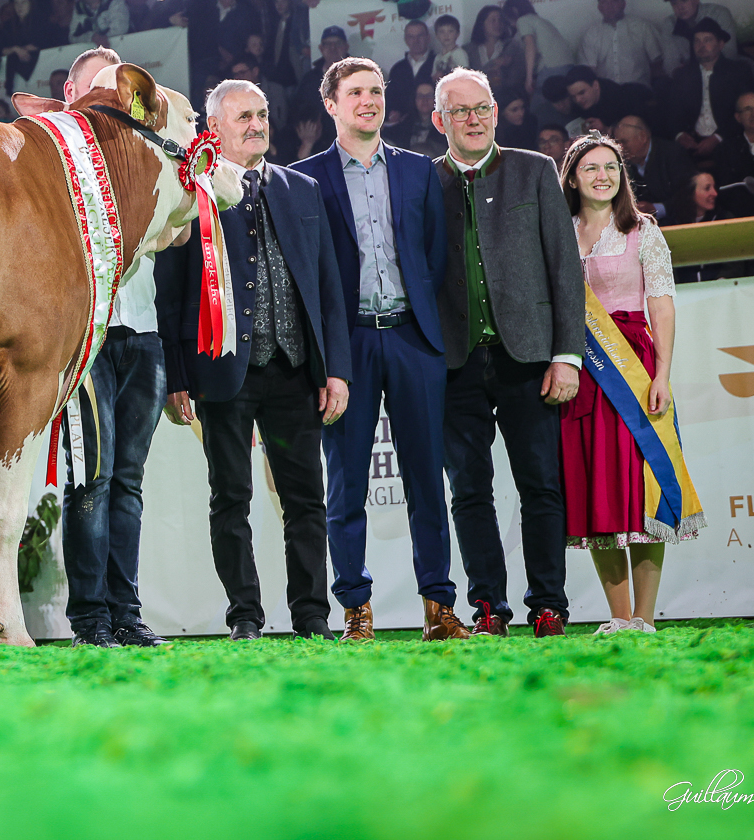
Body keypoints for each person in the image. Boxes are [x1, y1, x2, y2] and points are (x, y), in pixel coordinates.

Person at [158, 77, 349, 640]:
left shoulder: (302, 189)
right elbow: (172, 294)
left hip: (294, 374)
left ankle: (312, 616)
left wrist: (333, 369)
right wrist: (176, 375)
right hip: (223, 374)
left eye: (262, 114)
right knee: (231, 500)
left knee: (305, 500)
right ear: (213, 129)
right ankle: (245, 616)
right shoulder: (191, 193)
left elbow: (328, 287)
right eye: (244, 117)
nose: (257, 125)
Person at [292, 57, 457, 642]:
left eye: (377, 90)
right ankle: (355, 609)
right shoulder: (304, 179)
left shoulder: (419, 171)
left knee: (425, 479)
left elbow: (435, 259)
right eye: (355, 91)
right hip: (348, 346)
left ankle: (439, 606)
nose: (369, 99)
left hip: (414, 339)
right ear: (331, 105)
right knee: (345, 484)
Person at [432, 68, 587, 638]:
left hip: (530, 358)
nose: (473, 119)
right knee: (469, 490)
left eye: (482, 108)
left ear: (496, 112)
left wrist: (567, 355)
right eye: (460, 111)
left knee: (541, 484)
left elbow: (566, 271)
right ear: (439, 120)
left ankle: (549, 604)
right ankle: (488, 608)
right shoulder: (425, 183)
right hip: (454, 363)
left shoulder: (535, 170)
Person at [559, 135, 702, 633]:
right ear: (572, 176)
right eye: (592, 168)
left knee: (640, 487)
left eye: (612, 168)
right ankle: (618, 617)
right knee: (596, 488)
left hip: (633, 369)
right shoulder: (556, 232)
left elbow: (661, 304)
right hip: (578, 373)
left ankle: (645, 617)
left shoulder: (643, 231)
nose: (603, 176)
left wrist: (663, 373)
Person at [54, 48, 168, 649]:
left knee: (128, 480)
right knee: (91, 480)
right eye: (96, 82)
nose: (111, 90)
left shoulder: (148, 149)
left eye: (117, 82)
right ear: (71, 93)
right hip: (88, 335)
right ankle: (90, 617)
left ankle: (126, 612)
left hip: (144, 332)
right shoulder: (52, 158)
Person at [662, 19, 754, 162]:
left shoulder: (738, 71)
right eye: (697, 41)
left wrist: (717, 137)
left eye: (707, 40)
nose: (701, 46)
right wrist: (680, 135)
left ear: (720, 44)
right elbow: (673, 113)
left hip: (729, 140)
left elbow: (745, 112)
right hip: (692, 142)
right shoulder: (683, 75)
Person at [576, 0, 667, 87]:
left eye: (614, 1)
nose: (610, 7)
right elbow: (589, 72)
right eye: (605, 2)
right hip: (607, 94)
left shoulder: (642, 27)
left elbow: (657, 63)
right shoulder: (591, 34)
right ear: (599, 7)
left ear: (623, 4)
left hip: (638, 91)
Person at [660, 0, 743, 72]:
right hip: (690, 78)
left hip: (724, 71)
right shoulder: (669, 24)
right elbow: (670, 65)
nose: (680, 7)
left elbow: (729, 54)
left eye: (684, 0)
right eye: (674, 3)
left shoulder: (718, 13)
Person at [503, 0, 574, 87]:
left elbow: (530, 47)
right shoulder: (540, 21)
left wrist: (529, 78)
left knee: (540, 100)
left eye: (509, 19)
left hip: (551, 67)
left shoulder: (523, 20)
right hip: (568, 65)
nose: (512, 25)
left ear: (514, 11)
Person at [564, 66, 652, 137]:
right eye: (573, 96)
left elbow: (637, 133)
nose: (578, 100)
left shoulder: (622, 100)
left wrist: (608, 129)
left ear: (595, 85)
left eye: (582, 93)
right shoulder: (577, 105)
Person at [0, 0, 53, 88]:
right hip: (14, 79)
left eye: (23, 2)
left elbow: (43, 43)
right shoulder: (8, 25)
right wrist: (15, 49)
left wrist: (20, 50)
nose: (19, 6)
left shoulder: (41, 22)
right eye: (16, 3)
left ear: (30, 3)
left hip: (41, 74)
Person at [385, 20, 436, 122]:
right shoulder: (397, 69)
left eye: (420, 36)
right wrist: (393, 113)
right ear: (406, 40)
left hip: (435, 128)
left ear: (428, 38)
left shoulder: (439, 63)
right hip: (404, 129)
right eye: (411, 37)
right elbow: (390, 100)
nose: (416, 41)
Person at [468, 5, 524, 98]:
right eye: (493, 20)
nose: (498, 24)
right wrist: (493, 64)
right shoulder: (468, 49)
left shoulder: (512, 46)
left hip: (506, 98)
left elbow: (518, 77)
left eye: (500, 20)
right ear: (482, 24)